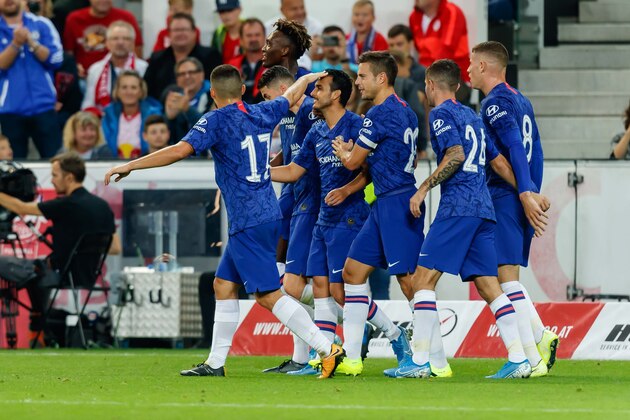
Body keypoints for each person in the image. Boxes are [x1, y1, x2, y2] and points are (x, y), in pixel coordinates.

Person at [104, 65, 345, 379]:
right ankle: (215, 363)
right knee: (223, 285)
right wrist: (307, 78)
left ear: (212, 94)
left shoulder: (215, 120)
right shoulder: (262, 112)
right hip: (266, 214)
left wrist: (130, 166)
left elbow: (179, 150)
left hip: (248, 219)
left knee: (267, 295)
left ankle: (327, 348)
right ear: (243, 90)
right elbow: (289, 95)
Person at [384, 59, 532, 379]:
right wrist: (527, 192)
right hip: (484, 208)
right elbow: (497, 161)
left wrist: (423, 188)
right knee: (488, 285)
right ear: (459, 86)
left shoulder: (441, 114)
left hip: (457, 207)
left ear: (430, 85)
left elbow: (455, 155)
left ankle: (421, 361)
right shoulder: (474, 116)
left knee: (423, 281)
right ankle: (519, 358)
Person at [271, 69, 405, 377]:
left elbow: (373, 168)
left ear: (335, 95)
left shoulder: (357, 126)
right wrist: (257, 175)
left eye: (318, 88)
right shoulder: (316, 131)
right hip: (322, 219)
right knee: (319, 287)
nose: (313, 93)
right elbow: (294, 171)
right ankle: (327, 356)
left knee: (342, 292)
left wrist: (346, 189)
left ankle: (397, 336)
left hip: (350, 216)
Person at [331, 51, 424, 376]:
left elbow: (354, 162)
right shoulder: (407, 111)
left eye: (362, 76)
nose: (357, 81)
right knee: (353, 273)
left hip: (397, 203)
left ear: (381, 78)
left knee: (410, 282)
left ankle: (429, 359)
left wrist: (344, 150)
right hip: (385, 203)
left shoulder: (378, 113)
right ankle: (354, 359)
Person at [468, 40, 558, 372]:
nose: (466, 69)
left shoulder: (495, 103)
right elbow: (537, 149)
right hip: (517, 193)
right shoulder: (520, 98)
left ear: (482, 66)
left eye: (470, 63)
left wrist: (524, 192)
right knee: (506, 277)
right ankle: (536, 348)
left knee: (504, 278)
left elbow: (516, 149)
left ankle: (533, 348)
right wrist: (532, 189)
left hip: (506, 196)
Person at [0, 152, 119, 347]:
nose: (53, 181)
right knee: (34, 271)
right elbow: (115, 247)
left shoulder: (66, 205)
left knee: (6, 262)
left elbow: (21, 207)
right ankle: (39, 326)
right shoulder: (103, 206)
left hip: (59, 274)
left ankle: (39, 327)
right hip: (89, 276)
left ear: (69, 177)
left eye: (55, 175)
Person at [257, 65, 322, 374]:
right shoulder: (286, 115)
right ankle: (302, 357)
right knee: (295, 282)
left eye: (269, 97)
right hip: (294, 199)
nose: (268, 104)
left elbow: (311, 162)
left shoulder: (311, 111)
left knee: (293, 286)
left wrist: (255, 174)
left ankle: (357, 317)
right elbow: (290, 154)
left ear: (283, 91)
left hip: (314, 202)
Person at [0, 0, 63, 159]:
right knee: (12, 168)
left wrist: (32, 43)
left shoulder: (42, 24)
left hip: (44, 107)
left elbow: (56, 59)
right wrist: (16, 44)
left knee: (55, 162)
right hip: (10, 110)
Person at [144, 13, 221, 101]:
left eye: (184, 29)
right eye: (176, 30)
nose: (180, 33)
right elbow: (148, 90)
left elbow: (219, 88)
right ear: (169, 34)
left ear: (194, 33)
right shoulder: (157, 58)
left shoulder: (210, 55)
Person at [409, 0, 471, 103]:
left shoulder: (451, 12)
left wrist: (425, 80)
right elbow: (416, 51)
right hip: (426, 76)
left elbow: (446, 52)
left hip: (453, 77)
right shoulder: (414, 17)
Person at [63, 0, 143, 77]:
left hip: (121, 76)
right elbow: (68, 53)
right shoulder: (74, 19)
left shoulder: (126, 17)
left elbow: (137, 49)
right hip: (83, 78)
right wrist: (75, 67)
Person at [82, 20, 148, 112]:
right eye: (115, 38)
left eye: (126, 38)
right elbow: (88, 102)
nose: (120, 42)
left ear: (133, 44)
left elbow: (148, 102)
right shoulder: (95, 69)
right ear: (107, 43)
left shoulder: (144, 68)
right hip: (102, 119)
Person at [101, 70, 162, 159]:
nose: (128, 92)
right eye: (124, 87)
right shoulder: (108, 116)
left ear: (141, 91)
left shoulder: (154, 114)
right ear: (117, 91)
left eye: (133, 87)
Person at [163, 57, 211, 144]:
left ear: (201, 74)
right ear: (177, 79)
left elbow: (210, 128)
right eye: (182, 74)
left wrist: (188, 109)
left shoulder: (213, 95)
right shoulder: (174, 97)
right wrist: (169, 119)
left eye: (191, 72)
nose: (187, 76)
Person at [264, 0, 323, 69]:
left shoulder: (316, 28)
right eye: (294, 9)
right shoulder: (269, 28)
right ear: (282, 10)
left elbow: (322, 59)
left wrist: (315, 54)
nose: (300, 12)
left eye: (302, 7)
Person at [390, 50, 427, 157]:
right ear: (397, 67)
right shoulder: (407, 84)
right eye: (406, 67)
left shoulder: (375, 86)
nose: (409, 72)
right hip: (405, 144)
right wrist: (421, 146)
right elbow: (417, 114)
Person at [262, 19, 313, 93]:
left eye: (269, 44)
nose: (263, 49)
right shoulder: (267, 80)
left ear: (284, 51)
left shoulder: (311, 83)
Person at [227, 17, 265, 104]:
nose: (253, 39)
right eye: (249, 35)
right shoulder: (232, 66)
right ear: (241, 40)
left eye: (257, 35)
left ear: (265, 37)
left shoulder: (275, 64)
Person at [346, 1, 389, 65]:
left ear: (373, 18)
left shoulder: (380, 40)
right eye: (356, 14)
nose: (360, 18)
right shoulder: (346, 39)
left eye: (365, 15)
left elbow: (383, 66)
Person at [210, 0, 242, 64]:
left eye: (230, 10)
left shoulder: (250, 30)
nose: (226, 15)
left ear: (239, 10)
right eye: (222, 12)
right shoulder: (218, 34)